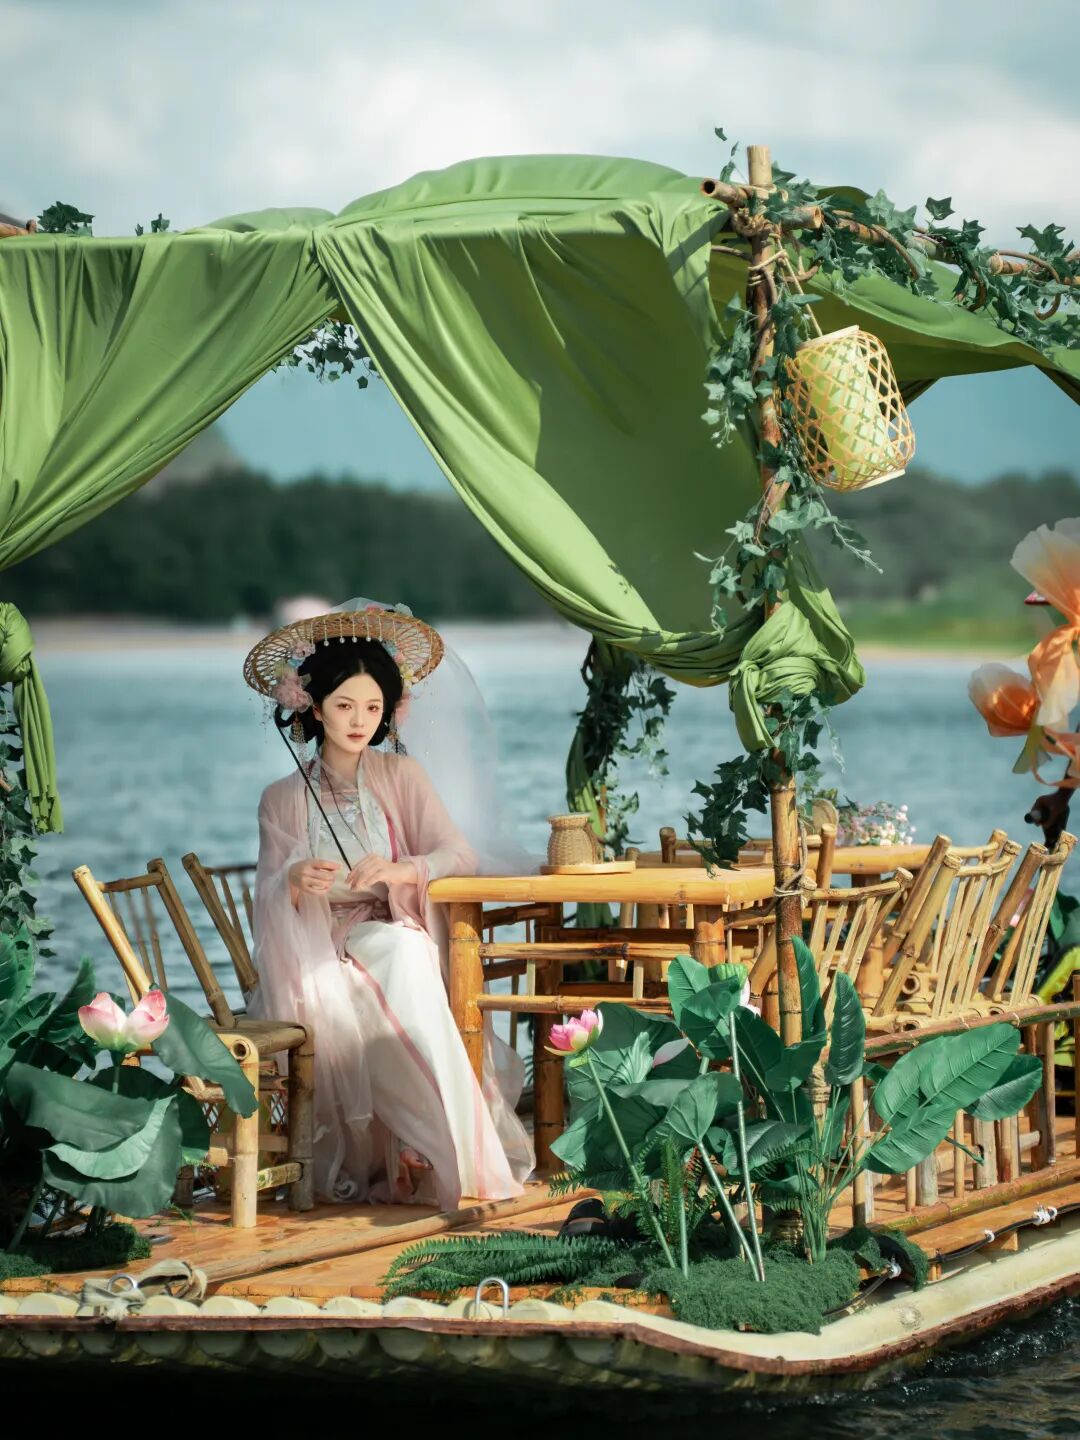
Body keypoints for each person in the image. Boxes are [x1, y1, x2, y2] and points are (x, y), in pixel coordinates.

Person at [243, 603, 534, 1208]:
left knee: (406, 951)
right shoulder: (281, 798)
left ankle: (444, 1149)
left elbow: (458, 854)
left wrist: (403, 870)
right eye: (344, 706)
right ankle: (447, 1150)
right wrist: (295, 878)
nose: (359, 721)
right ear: (313, 706)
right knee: (405, 960)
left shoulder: (402, 776)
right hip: (322, 948)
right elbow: (267, 893)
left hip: (397, 929)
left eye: (373, 708)